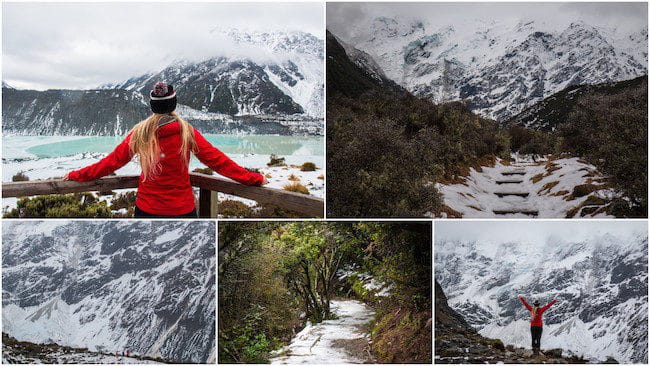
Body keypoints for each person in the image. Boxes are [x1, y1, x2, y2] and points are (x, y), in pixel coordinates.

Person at [64, 82, 267, 218]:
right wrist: (253, 179)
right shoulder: (187, 132)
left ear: (153, 106)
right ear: (174, 104)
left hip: (146, 209)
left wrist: (77, 175)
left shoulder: (139, 133)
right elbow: (219, 162)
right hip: (182, 210)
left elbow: (110, 163)